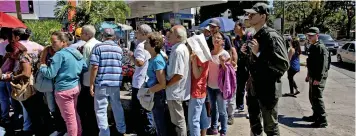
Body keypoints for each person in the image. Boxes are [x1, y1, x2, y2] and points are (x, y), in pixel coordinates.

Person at [243, 3, 290, 136]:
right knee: (255, 124)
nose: (249, 16)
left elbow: (283, 64)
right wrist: (248, 54)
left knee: (270, 127)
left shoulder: (272, 36)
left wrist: (258, 53)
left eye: (253, 14)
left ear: (263, 16)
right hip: (255, 87)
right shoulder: (255, 35)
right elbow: (255, 63)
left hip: (268, 88)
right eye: (249, 14)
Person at [39, 31, 87, 136]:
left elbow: (50, 74)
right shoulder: (75, 52)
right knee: (73, 114)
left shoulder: (59, 55)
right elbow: (84, 67)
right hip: (75, 86)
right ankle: (78, 133)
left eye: (54, 42)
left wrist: (42, 66)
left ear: (63, 42)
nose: (52, 44)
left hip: (63, 89)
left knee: (69, 118)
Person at [89, 28, 126, 136]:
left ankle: (105, 133)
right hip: (115, 83)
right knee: (117, 107)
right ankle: (121, 130)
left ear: (102, 36)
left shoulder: (98, 47)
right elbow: (121, 65)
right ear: (114, 37)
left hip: (102, 83)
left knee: (101, 110)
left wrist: (91, 84)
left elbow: (95, 66)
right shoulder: (119, 49)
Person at [129, 24, 155, 136]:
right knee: (147, 107)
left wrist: (131, 56)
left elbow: (139, 63)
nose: (136, 33)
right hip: (148, 80)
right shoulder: (151, 45)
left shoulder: (140, 46)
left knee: (140, 109)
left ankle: (144, 131)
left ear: (144, 34)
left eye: (138, 31)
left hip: (139, 82)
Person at [166, 25, 190, 136]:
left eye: (171, 32)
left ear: (178, 36)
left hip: (175, 91)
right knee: (178, 121)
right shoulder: (179, 48)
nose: (168, 34)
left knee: (179, 122)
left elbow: (178, 75)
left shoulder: (179, 50)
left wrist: (166, 85)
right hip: (176, 91)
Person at [303, 27, 330, 128]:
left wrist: (318, 79)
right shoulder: (313, 46)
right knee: (312, 97)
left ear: (317, 36)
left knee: (317, 98)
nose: (309, 37)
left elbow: (323, 65)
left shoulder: (320, 47)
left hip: (318, 77)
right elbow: (311, 63)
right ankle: (316, 116)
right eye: (308, 35)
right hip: (312, 76)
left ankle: (322, 120)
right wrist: (308, 75)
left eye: (311, 35)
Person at [143, 32, 168, 136]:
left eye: (147, 42)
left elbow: (162, 83)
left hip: (157, 95)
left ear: (154, 45)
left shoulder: (157, 60)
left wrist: (148, 91)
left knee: (159, 124)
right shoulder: (153, 58)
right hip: (154, 93)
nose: (144, 43)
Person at [78, 25, 101, 135]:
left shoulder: (87, 46)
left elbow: (85, 65)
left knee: (87, 108)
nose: (80, 34)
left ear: (87, 34)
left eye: (82, 32)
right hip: (98, 80)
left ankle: (89, 130)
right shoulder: (99, 43)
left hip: (87, 81)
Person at [206, 32, 230, 136]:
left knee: (222, 110)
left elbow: (229, 71)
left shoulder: (225, 54)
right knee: (213, 109)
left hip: (220, 87)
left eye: (218, 38)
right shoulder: (209, 53)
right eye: (214, 37)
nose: (216, 39)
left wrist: (223, 63)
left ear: (222, 41)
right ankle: (214, 127)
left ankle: (223, 131)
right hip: (210, 86)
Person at [187, 44, 210, 135]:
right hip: (201, 90)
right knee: (201, 115)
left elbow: (197, 75)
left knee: (193, 121)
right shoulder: (203, 55)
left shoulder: (200, 57)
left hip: (197, 90)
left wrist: (193, 60)